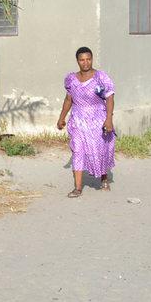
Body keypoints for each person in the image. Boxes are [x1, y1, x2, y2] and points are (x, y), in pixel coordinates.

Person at [56, 46, 116, 197]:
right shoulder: (71, 79)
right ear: (77, 61)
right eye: (82, 60)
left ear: (92, 59)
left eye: (88, 59)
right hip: (78, 121)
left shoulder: (100, 78)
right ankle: (78, 188)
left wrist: (109, 119)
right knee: (77, 151)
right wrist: (61, 117)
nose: (85, 63)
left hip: (98, 119)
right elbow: (69, 99)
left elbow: (109, 98)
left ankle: (103, 177)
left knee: (99, 149)